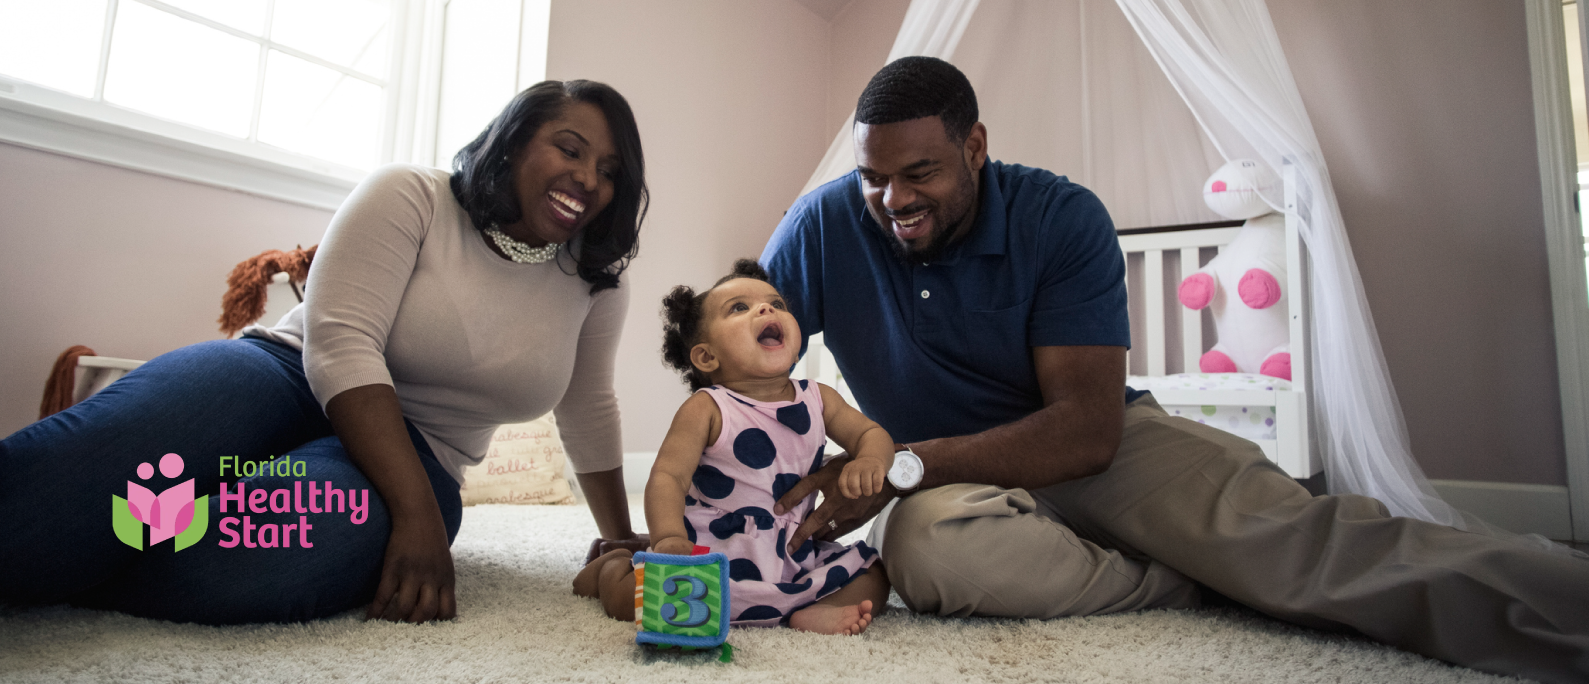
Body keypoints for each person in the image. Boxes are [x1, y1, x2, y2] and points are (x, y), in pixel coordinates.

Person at [760, 56, 1589, 682]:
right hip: (953, 483)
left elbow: (1084, 433)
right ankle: (1184, 581)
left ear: (974, 147)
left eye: (919, 174)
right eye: (872, 179)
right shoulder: (826, 224)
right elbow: (743, 359)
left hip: (1097, 450)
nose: (893, 202)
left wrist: (898, 465)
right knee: (928, 554)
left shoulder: (1061, 217)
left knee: (1314, 550)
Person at [0, 79, 650, 625]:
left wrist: (619, 537)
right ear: (513, 142)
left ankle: (77, 563)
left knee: (246, 564)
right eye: (570, 149)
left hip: (425, 449)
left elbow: (587, 405)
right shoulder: (412, 194)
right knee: (85, 464)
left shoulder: (595, 282)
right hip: (281, 375)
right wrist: (417, 515)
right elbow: (342, 343)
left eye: (609, 171)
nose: (587, 178)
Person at [575, 260, 892, 636]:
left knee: (874, 573)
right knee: (636, 600)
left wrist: (871, 458)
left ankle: (808, 611)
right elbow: (668, 477)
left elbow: (870, 433)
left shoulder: (819, 398)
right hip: (712, 557)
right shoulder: (708, 408)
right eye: (740, 307)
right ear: (707, 357)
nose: (767, 308)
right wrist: (669, 538)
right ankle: (611, 568)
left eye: (777, 304)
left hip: (791, 554)